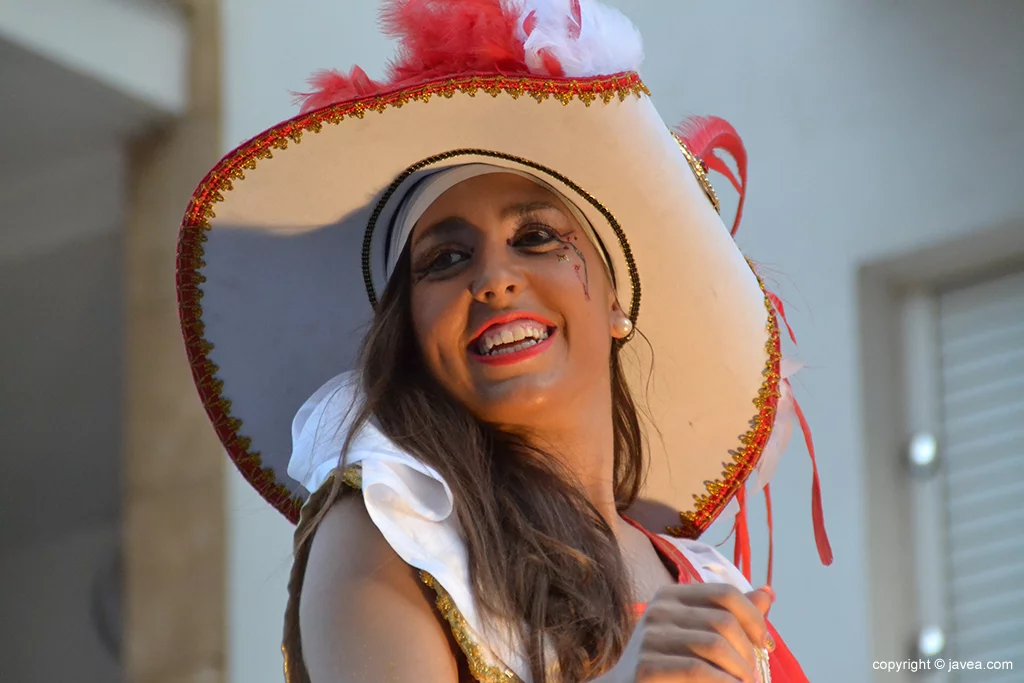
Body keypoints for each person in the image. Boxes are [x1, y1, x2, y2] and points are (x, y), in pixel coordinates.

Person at [176, 1, 833, 681]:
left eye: (537, 238)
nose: (494, 279)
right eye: (445, 259)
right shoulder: (393, 530)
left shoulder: (710, 584)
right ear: (410, 331)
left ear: (616, 302)